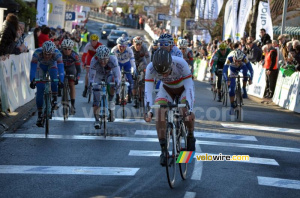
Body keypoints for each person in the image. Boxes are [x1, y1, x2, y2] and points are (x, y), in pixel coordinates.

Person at [144, 48, 195, 166]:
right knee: (160, 113)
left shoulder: (181, 64)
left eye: (166, 71)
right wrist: (149, 110)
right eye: (161, 73)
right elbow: (148, 91)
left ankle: (191, 135)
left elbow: (189, 88)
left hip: (183, 88)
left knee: (185, 112)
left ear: (170, 64)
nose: (164, 75)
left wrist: (189, 109)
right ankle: (163, 150)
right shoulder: (151, 68)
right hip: (166, 88)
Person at [29, 41, 64, 127]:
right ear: (42, 51)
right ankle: (40, 114)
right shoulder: (37, 53)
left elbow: (61, 69)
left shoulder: (57, 54)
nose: (47, 56)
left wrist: (61, 80)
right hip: (41, 67)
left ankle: (54, 99)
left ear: (53, 52)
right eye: (45, 54)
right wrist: (32, 80)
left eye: (49, 54)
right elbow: (33, 68)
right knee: (40, 88)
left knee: (55, 79)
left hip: (52, 66)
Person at [89, 46, 121, 128]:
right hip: (98, 75)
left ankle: (110, 101)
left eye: (105, 59)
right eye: (101, 59)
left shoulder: (113, 59)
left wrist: (117, 87)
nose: (103, 62)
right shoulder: (94, 60)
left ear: (108, 57)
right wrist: (91, 83)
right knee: (96, 96)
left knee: (113, 84)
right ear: (97, 57)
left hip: (109, 74)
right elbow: (92, 76)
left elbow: (117, 75)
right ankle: (96, 120)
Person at [223, 50, 253, 115]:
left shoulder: (244, 58)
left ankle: (244, 87)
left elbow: (251, 69)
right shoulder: (229, 58)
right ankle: (231, 105)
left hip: (241, 67)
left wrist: (250, 78)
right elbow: (224, 71)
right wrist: (227, 79)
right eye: (235, 61)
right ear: (233, 58)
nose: (236, 63)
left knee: (245, 71)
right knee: (231, 88)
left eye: (238, 61)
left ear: (241, 59)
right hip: (232, 69)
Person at [111, 37, 136, 104]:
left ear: (126, 46)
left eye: (123, 46)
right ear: (117, 45)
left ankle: (129, 95)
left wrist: (133, 70)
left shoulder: (129, 50)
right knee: (117, 79)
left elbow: (132, 61)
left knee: (130, 80)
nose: (122, 48)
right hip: (118, 63)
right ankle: (117, 96)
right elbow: (112, 62)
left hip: (127, 64)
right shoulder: (114, 50)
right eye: (120, 46)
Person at [60, 39, 81, 114]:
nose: (67, 51)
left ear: (72, 49)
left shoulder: (75, 55)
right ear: (62, 48)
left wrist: (77, 78)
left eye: (69, 49)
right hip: (61, 67)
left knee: (71, 85)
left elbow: (78, 69)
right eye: (65, 49)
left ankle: (72, 105)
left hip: (71, 68)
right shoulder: (59, 54)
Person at [130, 36, 150, 107]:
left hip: (142, 62)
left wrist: (148, 67)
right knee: (134, 79)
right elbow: (128, 61)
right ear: (134, 43)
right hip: (133, 62)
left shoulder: (144, 48)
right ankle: (135, 98)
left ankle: (143, 81)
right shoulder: (131, 49)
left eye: (140, 44)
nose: (138, 46)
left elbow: (148, 58)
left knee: (145, 68)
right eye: (137, 44)